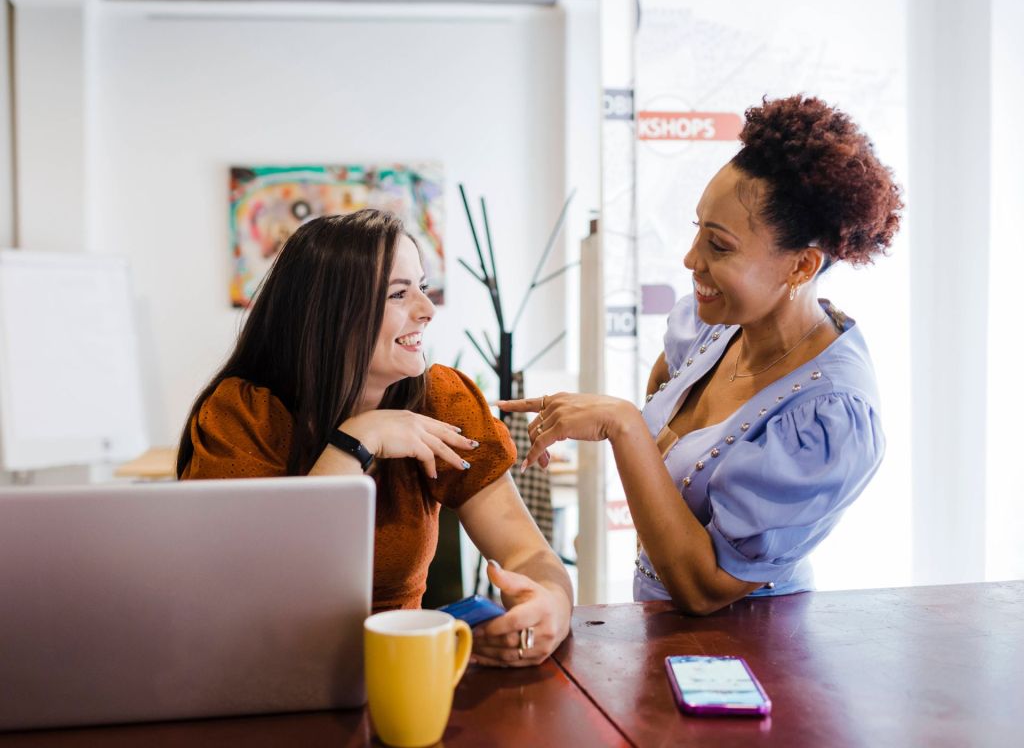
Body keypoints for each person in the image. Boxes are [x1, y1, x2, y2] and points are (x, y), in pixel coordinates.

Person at [502, 94, 902, 616]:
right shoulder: (709, 327)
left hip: (755, 656)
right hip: (664, 637)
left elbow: (705, 588)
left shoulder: (830, 418)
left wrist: (622, 425)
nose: (692, 260)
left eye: (719, 245)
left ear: (801, 267)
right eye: (698, 232)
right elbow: (659, 415)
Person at [177, 209, 572, 666]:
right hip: (267, 670)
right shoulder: (243, 416)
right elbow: (258, 591)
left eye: (422, 287)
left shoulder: (440, 400)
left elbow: (528, 554)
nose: (427, 310)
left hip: (401, 673)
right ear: (328, 315)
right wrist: (355, 443)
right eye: (399, 294)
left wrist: (551, 608)